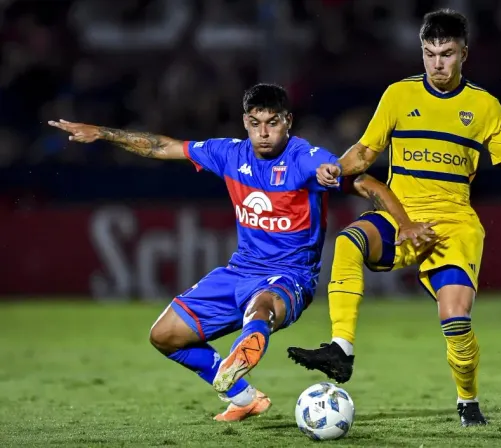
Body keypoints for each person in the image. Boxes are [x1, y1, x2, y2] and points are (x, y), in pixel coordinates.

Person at [287, 9, 501, 427]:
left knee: (455, 319)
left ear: (463, 54)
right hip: (401, 215)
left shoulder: (484, 106)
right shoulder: (398, 95)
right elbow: (364, 152)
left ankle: (467, 401)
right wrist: (335, 168)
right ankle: (341, 349)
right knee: (349, 241)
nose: (437, 63)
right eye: (430, 53)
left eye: (447, 54)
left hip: (453, 224)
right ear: (421, 52)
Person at [48, 83, 434, 422]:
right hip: (238, 271)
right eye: (255, 123)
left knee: (260, 306)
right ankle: (241, 393)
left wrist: (404, 223)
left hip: (289, 278)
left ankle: (243, 352)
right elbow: (163, 147)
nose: (263, 133)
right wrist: (101, 132)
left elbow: (370, 185)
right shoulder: (230, 155)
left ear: (288, 121)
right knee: (164, 335)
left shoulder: (306, 159)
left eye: (272, 123)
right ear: (244, 122)